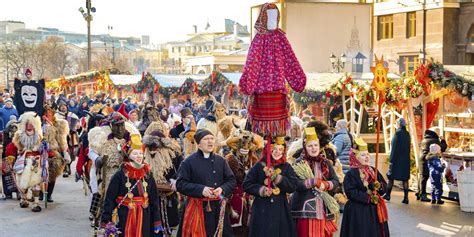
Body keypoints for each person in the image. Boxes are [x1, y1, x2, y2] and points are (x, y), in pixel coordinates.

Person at [176, 129, 236, 237]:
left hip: (218, 208)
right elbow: (180, 184)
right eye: (206, 139)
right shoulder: (188, 162)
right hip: (197, 208)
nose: (210, 141)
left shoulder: (221, 161)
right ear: (198, 144)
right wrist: (200, 189)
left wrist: (222, 189)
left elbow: (231, 181)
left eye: (212, 138)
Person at [101, 134, 163, 236]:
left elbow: (154, 199)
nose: (138, 156)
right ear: (128, 156)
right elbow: (110, 200)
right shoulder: (120, 175)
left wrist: (157, 220)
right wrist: (105, 223)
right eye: (135, 154)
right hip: (125, 215)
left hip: (145, 217)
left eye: (140, 153)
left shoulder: (147, 174)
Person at [243, 136, 298, 237]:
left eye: (280, 150)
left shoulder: (287, 167)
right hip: (261, 208)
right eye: (274, 149)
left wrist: (277, 178)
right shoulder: (259, 166)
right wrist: (261, 190)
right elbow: (246, 184)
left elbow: (293, 186)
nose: (277, 152)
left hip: (281, 208)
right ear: (268, 150)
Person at [291, 127, 340, 237]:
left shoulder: (326, 163)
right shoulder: (299, 163)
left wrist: (325, 185)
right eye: (310, 146)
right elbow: (294, 184)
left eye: (315, 145)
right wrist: (311, 182)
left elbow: (336, 181)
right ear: (305, 147)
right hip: (305, 210)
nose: (313, 148)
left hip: (323, 209)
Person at [340, 138, 389, 237]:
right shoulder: (351, 174)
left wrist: (378, 187)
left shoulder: (373, 170)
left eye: (367, 154)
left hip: (374, 211)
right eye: (363, 155)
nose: (366, 157)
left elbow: (384, 187)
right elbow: (350, 192)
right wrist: (368, 198)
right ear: (355, 158)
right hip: (358, 212)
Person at [143, 121, 183, 236]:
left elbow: (181, 168)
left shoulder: (173, 151)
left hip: (168, 193)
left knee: (167, 223)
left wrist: (174, 180)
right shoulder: (143, 152)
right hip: (149, 195)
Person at [385, 118, 411, 204]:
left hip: (397, 161)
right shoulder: (407, 134)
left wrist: (391, 161)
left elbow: (394, 149)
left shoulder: (397, 134)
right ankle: (406, 198)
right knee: (405, 179)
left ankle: (388, 195)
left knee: (391, 178)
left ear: (399, 124)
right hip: (406, 161)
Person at [417, 130, 447, 202]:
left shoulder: (425, 139)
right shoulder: (434, 140)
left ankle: (419, 193)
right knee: (424, 177)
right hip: (428, 159)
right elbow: (442, 148)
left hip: (422, 158)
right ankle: (423, 195)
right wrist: (443, 140)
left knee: (422, 176)